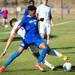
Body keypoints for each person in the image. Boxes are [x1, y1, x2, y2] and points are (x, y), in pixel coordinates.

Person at [0, 6, 68, 73]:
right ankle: (4, 66)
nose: (35, 13)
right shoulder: (23, 20)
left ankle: (39, 64)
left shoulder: (30, 18)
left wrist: (5, 49)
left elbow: (33, 19)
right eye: (34, 12)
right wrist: (15, 31)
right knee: (43, 51)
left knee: (42, 51)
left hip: (34, 38)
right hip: (28, 39)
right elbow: (19, 27)